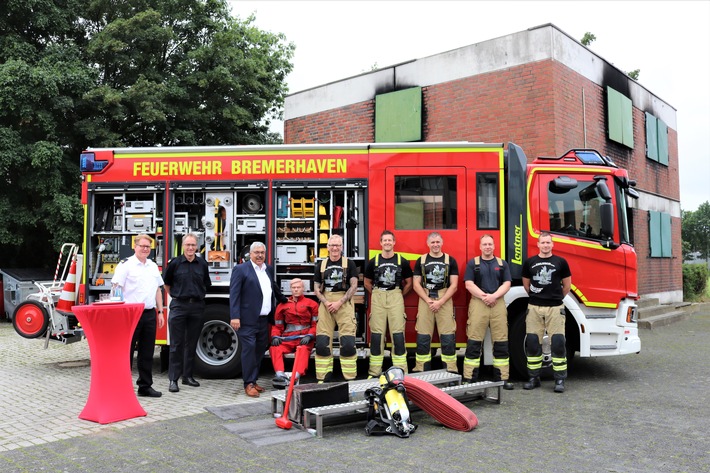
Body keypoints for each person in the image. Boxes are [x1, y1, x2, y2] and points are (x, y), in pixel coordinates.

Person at [111, 234, 165, 398]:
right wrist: (118, 312)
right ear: (135, 246)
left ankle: (145, 386)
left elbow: (158, 290)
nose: (145, 249)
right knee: (126, 352)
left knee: (147, 352)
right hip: (130, 314)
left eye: (148, 246)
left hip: (149, 313)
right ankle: (122, 387)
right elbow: (116, 288)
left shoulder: (152, 266)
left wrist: (160, 311)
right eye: (142, 246)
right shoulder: (125, 265)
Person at [229, 242, 282, 398]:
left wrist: (286, 300)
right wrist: (235, 316)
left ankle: (254, 379)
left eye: (262, 253)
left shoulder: (268, 269)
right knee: (249, 350)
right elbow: (234, 294)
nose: (260, 255)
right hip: (247, 320)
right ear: (250, 254)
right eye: (257, 252)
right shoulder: (241, 269)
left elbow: (274, 289)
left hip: (264, 320)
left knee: (259, 351)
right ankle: (248, 384)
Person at [522, 231, 572, 393]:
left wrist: (554, 298)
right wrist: (538, 297)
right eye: (542, 242)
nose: (545, 245)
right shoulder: (530, 262)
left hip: (555, 308)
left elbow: (567, 286)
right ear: (538, 244)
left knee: (558, 343)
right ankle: (533, 378)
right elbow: (526, 285)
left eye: (548, 242)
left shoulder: (561, 262)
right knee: (532, 342)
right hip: (534, 308)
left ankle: (559, 380)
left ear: (552, 244)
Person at [162, 233, 212, 393]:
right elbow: (167, 284)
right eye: (187, 245)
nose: (190, 248)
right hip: (179, 306)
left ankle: (187, 377)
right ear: (183, 246)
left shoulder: (202, 264)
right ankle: (173, 379)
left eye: (193, 245)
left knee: (191, 344)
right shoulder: (175, 264)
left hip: (197, 307)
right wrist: (177, 297)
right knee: (176, 345)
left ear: (197, 246)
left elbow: (206, 284)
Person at [463, 234, 514, 390]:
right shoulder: (473, 263)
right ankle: (470, 378)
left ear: (494, 246)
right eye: (484, 244)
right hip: (479, 303)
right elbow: (468, 284)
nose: (487, 247)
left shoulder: (502, 264)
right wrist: (485, 297)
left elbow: (507, 283)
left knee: (501, 341)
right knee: (474, 341)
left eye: (490, 244)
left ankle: (502, 379)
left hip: (497, 303)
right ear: (480, 246)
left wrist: (494, 296)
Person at [364, 230, 413, 377]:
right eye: (384, 240)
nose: (387, 243)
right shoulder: (373, 261)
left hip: (396, 296)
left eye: (389, 240)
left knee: (398, 335)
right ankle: (374, 372)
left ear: (394, 242)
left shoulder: (402, 261)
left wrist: (398, 295)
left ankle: (400, 371)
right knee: (377, 336)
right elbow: (367, 282)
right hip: (378, 297)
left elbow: (409, 283)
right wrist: (377, 295)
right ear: (380, 243)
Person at [313, 234, 359, 382]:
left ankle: (349, 377)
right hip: (326, 303)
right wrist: (326, 303)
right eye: (332, 245)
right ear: (327, 247)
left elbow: (354, 286)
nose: (335, 248)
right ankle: (323, 377)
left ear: (342, 247)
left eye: (338, 245)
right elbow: (316, 289)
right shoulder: (321, 265)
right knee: (322, 343)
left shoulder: (349, 264)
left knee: (347, 343)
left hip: (344, 303)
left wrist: (340, 302)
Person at [411, 232, 459, 373]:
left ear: (442, 243)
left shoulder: (451, 260)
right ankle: (422, 370)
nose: (435, 245)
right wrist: (428, 301)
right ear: (428, 244)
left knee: (448, 336)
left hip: (445, 298)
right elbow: (416, 284)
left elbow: (454, 285)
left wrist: (441, 302)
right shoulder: (421, 260)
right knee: (423, 336)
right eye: (433, 242)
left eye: (438, 242)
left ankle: (451, 371)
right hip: (426, 298)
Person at [270, 278, 319, 388]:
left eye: (298, 287)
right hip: (288, 338)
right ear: (290, 289)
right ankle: (280, 376)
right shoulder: (282, 305)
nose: (296, 290)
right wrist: (275, 336)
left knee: (302, 351)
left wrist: (310, 335)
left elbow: (316, 325)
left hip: (304, 338)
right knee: (274, 348)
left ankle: (295, 377)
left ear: (303, 289)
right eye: (293, 287)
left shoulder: (312, 304)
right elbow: (277, 325)